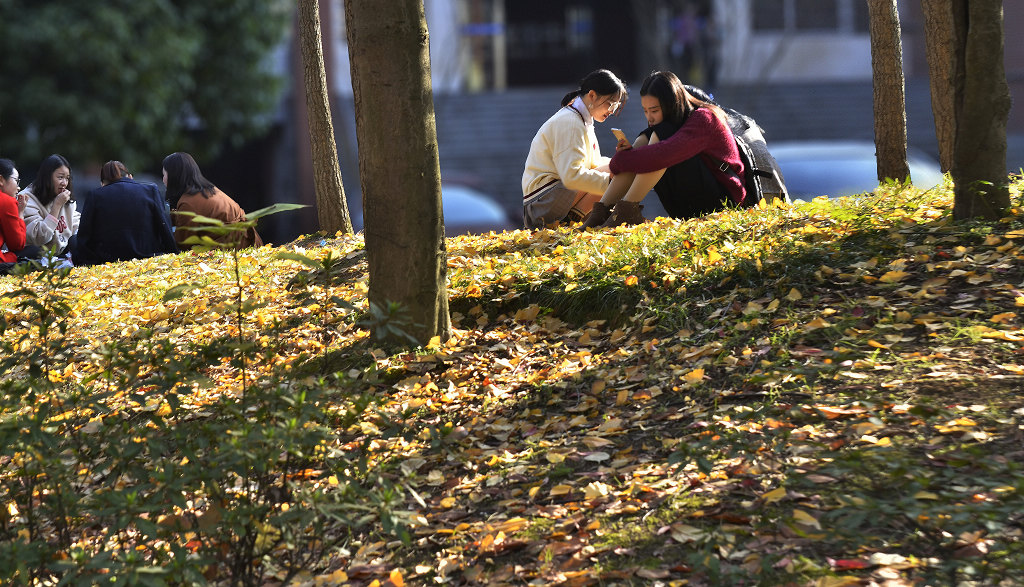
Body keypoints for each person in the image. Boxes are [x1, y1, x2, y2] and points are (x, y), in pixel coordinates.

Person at [579, 71, 745, 229]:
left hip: (725, 201)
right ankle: (600, 212)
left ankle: (625, 213)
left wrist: (620, 161)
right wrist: (631, 153)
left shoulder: (704, 119)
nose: (649, 117)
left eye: (655, 110)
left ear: (672, 105)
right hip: (691, 201)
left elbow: (663, 155)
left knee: (660, 136)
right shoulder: (670, 125)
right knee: (646, 138)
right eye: (645, 111)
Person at [522, 69, 628, 228]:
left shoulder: (580, 118)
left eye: (616, 106)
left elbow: (593, 165)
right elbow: (572, 176)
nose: (612, 111)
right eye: (610, 104)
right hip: (541, 205)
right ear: (592, 95)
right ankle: (571, 221)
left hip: (545, 200)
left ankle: (571, 221)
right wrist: (614, 182)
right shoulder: (571, 121)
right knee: (618, 171)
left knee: (619, 166)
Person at [72, 160, 178, 266]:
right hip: (148, 256)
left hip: (109, 260)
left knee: (73, 240)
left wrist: (86, 262)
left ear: (102, 183)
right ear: (130, 177)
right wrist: (173, 252)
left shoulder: (95, 196)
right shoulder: (150, 190)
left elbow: (84, 235)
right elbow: (164, 226)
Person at [163, 152, 263, 250]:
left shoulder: (188, 202)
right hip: (250, 242)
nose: (163, 180)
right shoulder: (208, 190)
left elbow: (182, 243)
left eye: (164, 175)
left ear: (174, 176)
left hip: (238, 248)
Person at [19, 154, 80, 260]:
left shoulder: (66, 198)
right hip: (35, 257)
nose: (64, 183)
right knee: (34, 252)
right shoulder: (27, 198)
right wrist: (56, 206)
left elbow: (76, 227)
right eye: (60, 177)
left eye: (67, 178)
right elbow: (40, 238)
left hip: (62, 254)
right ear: (47, 177)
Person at [0, 158, 28, 272]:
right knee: (34, 253)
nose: (18, 187)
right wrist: (20, 213)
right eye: (16, 180)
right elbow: (17, 244)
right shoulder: (7, 201)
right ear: (1, 180)